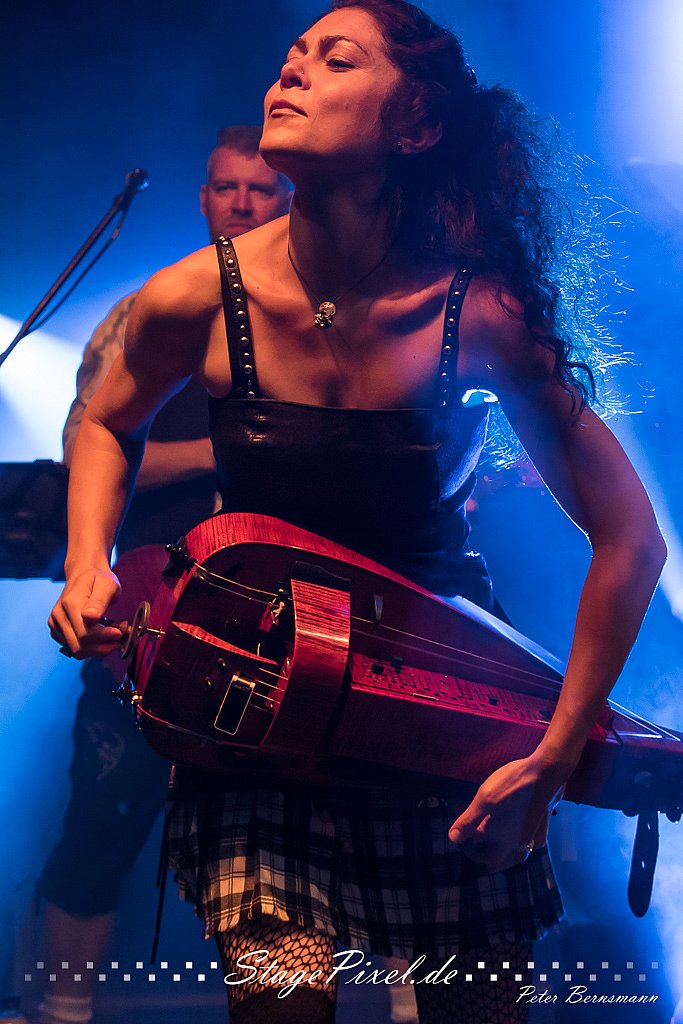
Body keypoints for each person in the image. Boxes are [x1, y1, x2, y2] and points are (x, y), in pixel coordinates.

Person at [48, 2, 667, 1022]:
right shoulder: (194, 297)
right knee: (280, 1004)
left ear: (415, 123)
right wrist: (88, 562)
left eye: (334, 60)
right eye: (290, 55)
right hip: (255, 698)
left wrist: (552, 757)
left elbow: (629, 536)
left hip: (441, 704)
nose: (290, 72)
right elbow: (105, 419)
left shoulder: (479, 312)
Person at [35, 126, 292, 1024]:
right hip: (144, 617)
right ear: (203, 196)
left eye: (260, 189)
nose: (241, 203)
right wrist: (221, 459)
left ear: (288, 198)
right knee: (99, 826)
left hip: (269, 631)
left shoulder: (310, 308)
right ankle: (60, 1012)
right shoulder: (158, 306)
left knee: (289, 858)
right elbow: (86, 439)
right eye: (226, 187)